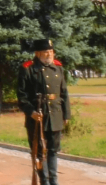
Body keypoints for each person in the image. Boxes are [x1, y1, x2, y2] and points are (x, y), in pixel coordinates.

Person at [17, 39, 70, 185]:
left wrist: (66, 114)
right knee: (40, 153)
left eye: (51, 52)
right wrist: (31, 112)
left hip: (55, 114)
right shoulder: (28, 68)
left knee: (53, 151)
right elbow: (22, 96)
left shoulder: (58, 67)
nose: (49, 55)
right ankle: (44, 181)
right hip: (37, 118)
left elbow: (64, 93)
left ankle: (54, 181)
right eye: (46, 52)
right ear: (37, 53)